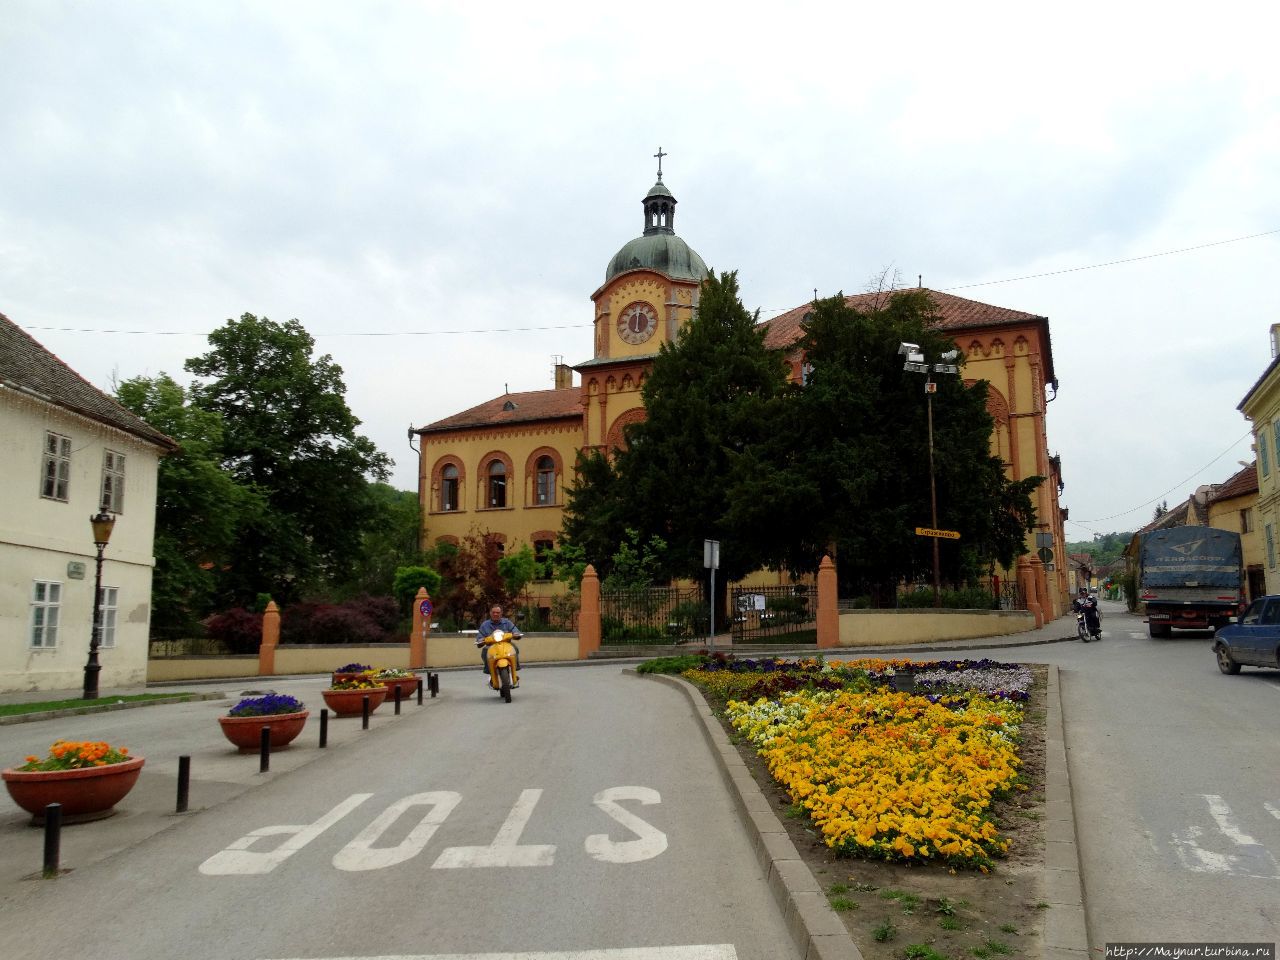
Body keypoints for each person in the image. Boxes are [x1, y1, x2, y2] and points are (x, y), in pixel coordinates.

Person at [476, 604, 522, 675]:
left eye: (497, 613)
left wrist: (516, 634)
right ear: (490, 613)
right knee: (485, 650)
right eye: (493, 612)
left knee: (514, 647)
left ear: (501, 613)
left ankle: (516, 666)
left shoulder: (507, 622)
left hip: (506, 645)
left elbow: (515, 631)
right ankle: (488, 669)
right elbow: (480, 637)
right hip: (491, 646)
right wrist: (481, 640)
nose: (495, 614)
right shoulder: (485, 625)